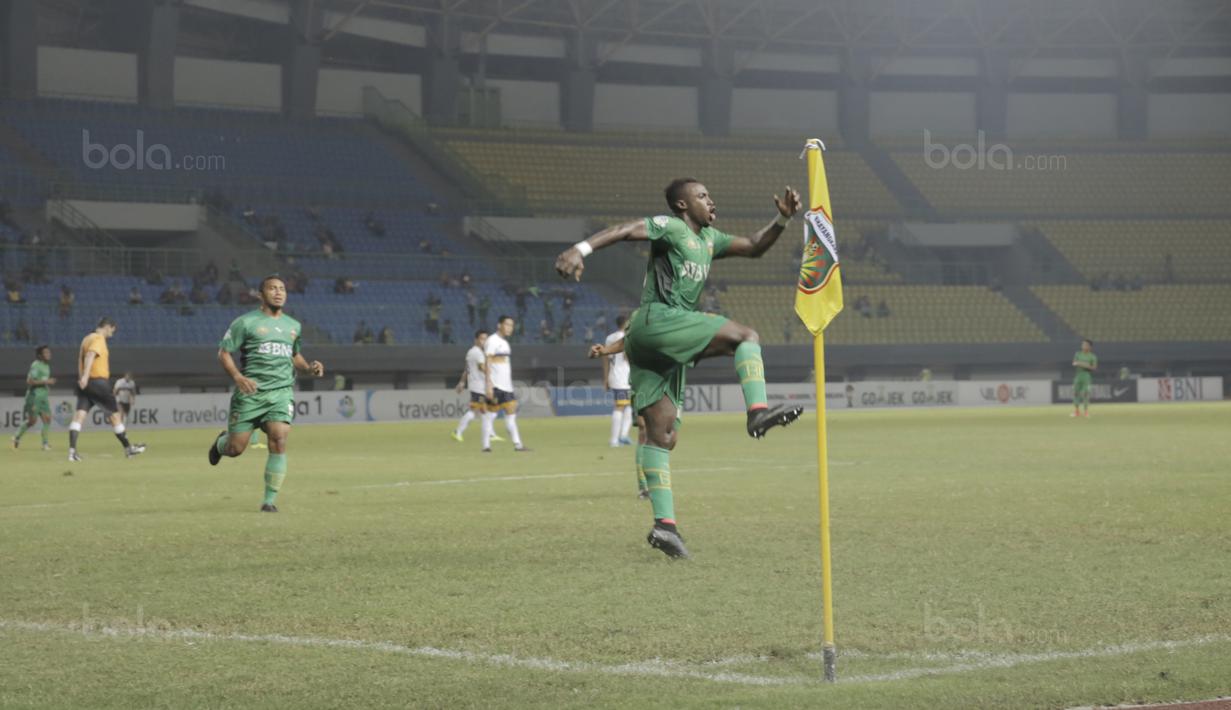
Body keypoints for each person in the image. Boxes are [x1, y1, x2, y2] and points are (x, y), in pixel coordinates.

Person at [556, 177, 804, 559]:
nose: (711, 200)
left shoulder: (710, 240)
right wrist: (580, 248)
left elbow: (754, 247)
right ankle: (757, 412)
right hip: (660, 320)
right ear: (683, 205)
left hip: (651, 342)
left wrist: (782, 221)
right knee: (746, 336)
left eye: (709, 195)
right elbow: (625, 230)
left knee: (662, 435)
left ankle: (664, 527)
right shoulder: (671, 227)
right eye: (702, 196)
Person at [207, 275, 325, 512]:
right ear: (261, 295)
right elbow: (224, 353)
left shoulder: (294, 326)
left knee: (279, 440)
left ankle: (269, 501)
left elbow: (294, 356)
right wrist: (239, 377)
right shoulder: (246, 322)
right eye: (272, 288)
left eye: (282, 288)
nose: (278, 292)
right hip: (251, 394)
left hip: (281, 393)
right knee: (235, 449)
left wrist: (309, 367)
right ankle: (221, 444)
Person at [68, 317, 145, 462]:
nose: (112, 334)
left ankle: (72, 452)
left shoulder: (86, 338)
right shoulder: (98, 339)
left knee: (79, 417)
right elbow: (90, 355)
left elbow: (81, 359)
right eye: (112, 331)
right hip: (98, 382)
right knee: (115, 416)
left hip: (85, 385)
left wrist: (83, 379)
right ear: (107, 326)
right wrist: (85, 376)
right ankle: (128, 449)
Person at [481, 315, 528, 453]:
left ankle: (518, 444)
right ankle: (486, 446)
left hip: (507, 387)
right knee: (490, 415)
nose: (510, 328)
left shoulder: (506, 343)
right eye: (507, 324)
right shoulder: (492, 341)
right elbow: (487, 362)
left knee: (511, 414)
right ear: (499, 325)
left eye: (512, 325)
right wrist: (488, 384)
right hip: (495, 386)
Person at [453, 329, 503, 445]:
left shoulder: (471, 352)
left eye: (486, 339)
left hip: (478, 387)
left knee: (487, 410)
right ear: (476, 340)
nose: (484, 341)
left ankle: (490, 434)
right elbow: (482, 368)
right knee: (482, 410)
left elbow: (467, 369)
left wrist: (462, 382)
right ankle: (458, 431)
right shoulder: (478, 353)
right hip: (479, 387)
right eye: (482, 339)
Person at [12, 344, 55, 451]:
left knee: (47, 420)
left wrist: (46, 386)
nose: (49, 354)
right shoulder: (36, 365)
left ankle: (45, 444)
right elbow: (30, 381)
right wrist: (46, 381)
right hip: (34, 397)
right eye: (46, 353)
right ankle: (16, 437)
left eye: (49, 352)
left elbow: (42, 380)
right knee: (32, 421)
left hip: (43, 397)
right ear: (40, 355)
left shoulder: (47, 366)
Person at [603, 315, 634, 448]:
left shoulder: (609, 337)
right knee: (620, 406)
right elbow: (627, 357)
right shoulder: (626, 337)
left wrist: (605, 377)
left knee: (628, 405)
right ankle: (614, 440)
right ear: (626, 323)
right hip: (623, 376)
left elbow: (604, 356)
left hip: (614, 375)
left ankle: (623, 436)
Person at [1071, 338, 1098, 418]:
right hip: (1078, 375)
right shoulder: (1078, 354)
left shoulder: (1092, 356)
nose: (1083, 346)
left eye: (1085, 345)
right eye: (1083, 344)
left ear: (1090, 347)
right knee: (1076, 393)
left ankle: (1086, 412)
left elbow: (1094, 368)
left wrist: (1082, 364)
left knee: (1085, 393)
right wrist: (1085, 365)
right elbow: (1074, 363)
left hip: (1086, 376)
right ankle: (1076, 412)